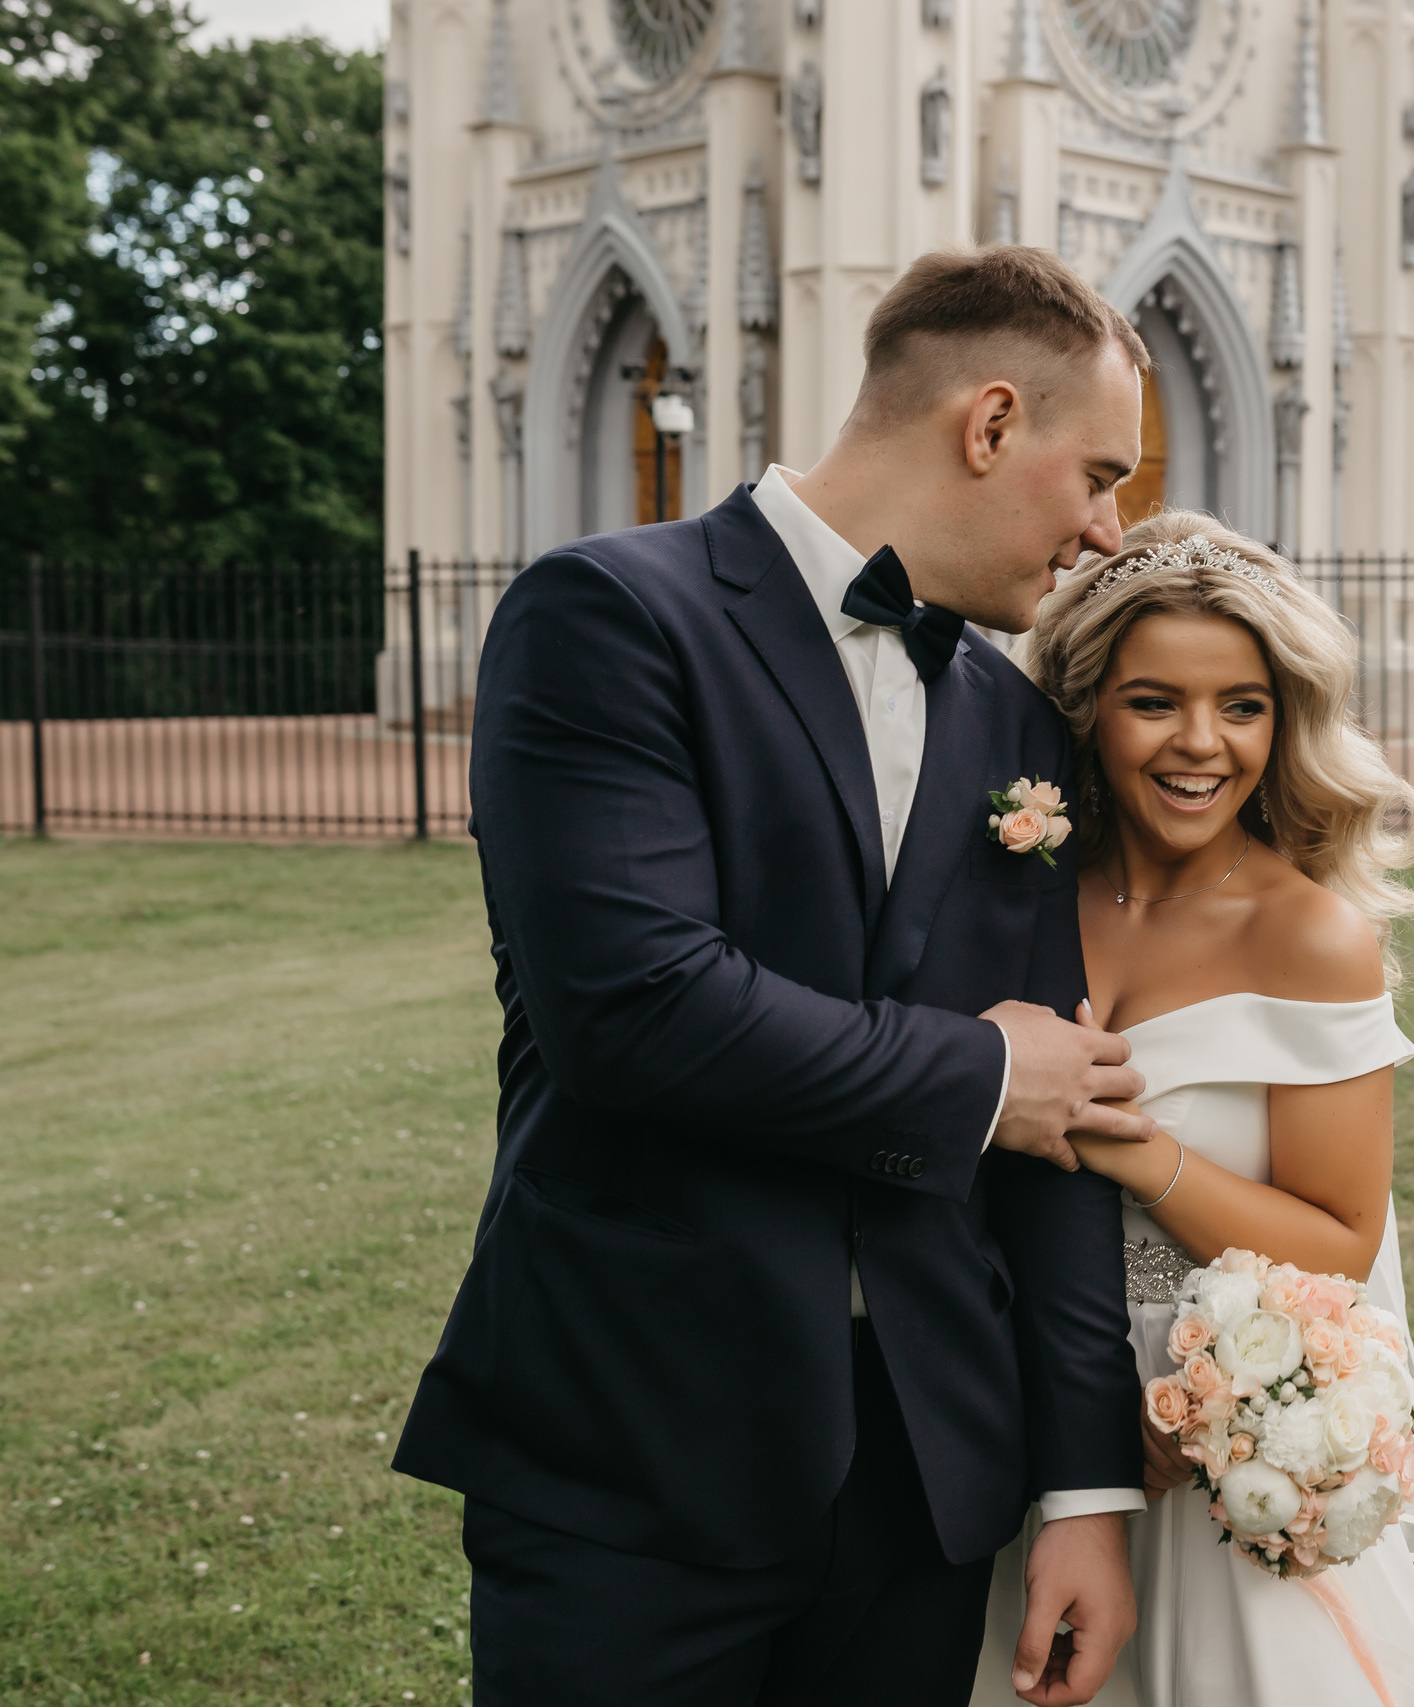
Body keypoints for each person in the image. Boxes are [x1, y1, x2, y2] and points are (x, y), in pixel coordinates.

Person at [393, 247, 1168, 1706]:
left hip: (924, 1481)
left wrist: (1082, 1489)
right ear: (990, 425)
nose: (1110, 531)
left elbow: (1070, 1135)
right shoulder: (611, 618)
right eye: (1101, 474)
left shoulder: (1019, 720)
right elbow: (637, 1008)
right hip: (633, 1450)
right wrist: (984, 1073)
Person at [969, 512, 1414, 1706]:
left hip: (1203, 1447)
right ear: (1087, 706)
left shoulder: (1307, 935)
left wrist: (1132, 1149)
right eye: (1153, 702)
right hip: (1020, 1430)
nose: (1200, 744)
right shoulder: (1015, 894)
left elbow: (1336, 1246)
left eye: (1243, 706)